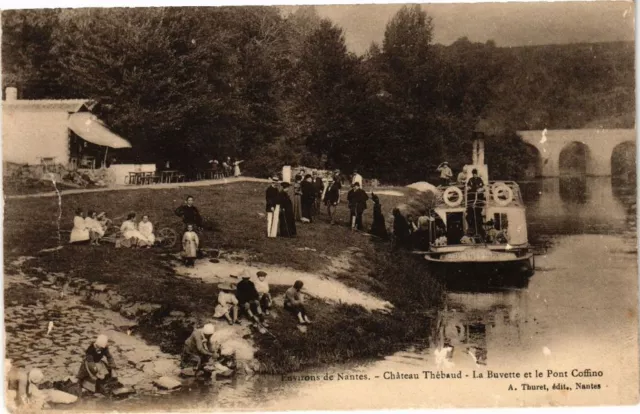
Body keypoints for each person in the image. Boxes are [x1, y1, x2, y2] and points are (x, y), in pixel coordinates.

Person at [466, 169, 486, 235]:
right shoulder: (470, 180)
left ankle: (479, 227)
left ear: (477, 174)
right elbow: (468, 186)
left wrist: (481, 189)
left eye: (475, 174)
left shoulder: (479, 179)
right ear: (472, 174)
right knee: (471, 212)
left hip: (479, 198)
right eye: (474, 174)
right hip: (471, 198)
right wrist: (468, 188)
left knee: (478, 212)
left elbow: (483, 187)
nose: (475, 175)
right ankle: (472, 227)